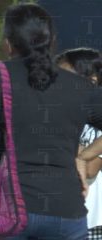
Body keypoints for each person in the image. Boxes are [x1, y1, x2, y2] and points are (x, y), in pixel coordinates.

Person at [0, 3, 102, 239]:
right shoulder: (79, 85)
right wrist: (82, 157)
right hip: (67, 209)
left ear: (8, 42)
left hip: (6, 208)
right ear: (52, 39)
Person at [55, 47, 102, 240]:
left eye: (64, 77)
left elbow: (90, 169)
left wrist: (79, 154)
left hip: (93, 220)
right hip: (59, 218)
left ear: (91, 80)